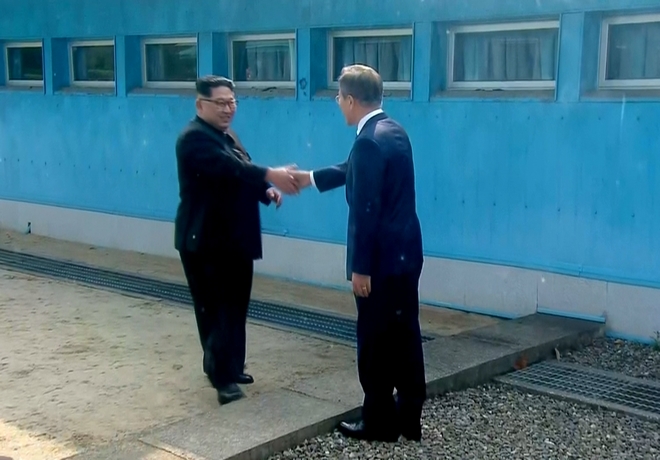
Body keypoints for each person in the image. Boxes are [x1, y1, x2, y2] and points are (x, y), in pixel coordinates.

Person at [292, 65, 427, 442]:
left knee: (373, 341)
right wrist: (312, 178)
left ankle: (379, 421)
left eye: (339, 98)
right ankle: (410, 416)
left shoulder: (367, 140)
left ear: (350, 100)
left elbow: (365, 210)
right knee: (405, 333)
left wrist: (360, 269)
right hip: (406, 256)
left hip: (380, 264)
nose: (338, 104)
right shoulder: (393, 131)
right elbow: (355, 170)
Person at [174, 75, 299, 405]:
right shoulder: (193, 139)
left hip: (235, 238)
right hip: (206, 241)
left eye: (232, 102)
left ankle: (230, 364)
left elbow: (242, 169)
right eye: (220, 103)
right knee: (215, 310)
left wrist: (265, 190)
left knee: (236, 307)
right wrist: (271, 174)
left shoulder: (227, 135)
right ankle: (222, 380)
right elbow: (228, 168)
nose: (228, 109)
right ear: (201, 104)